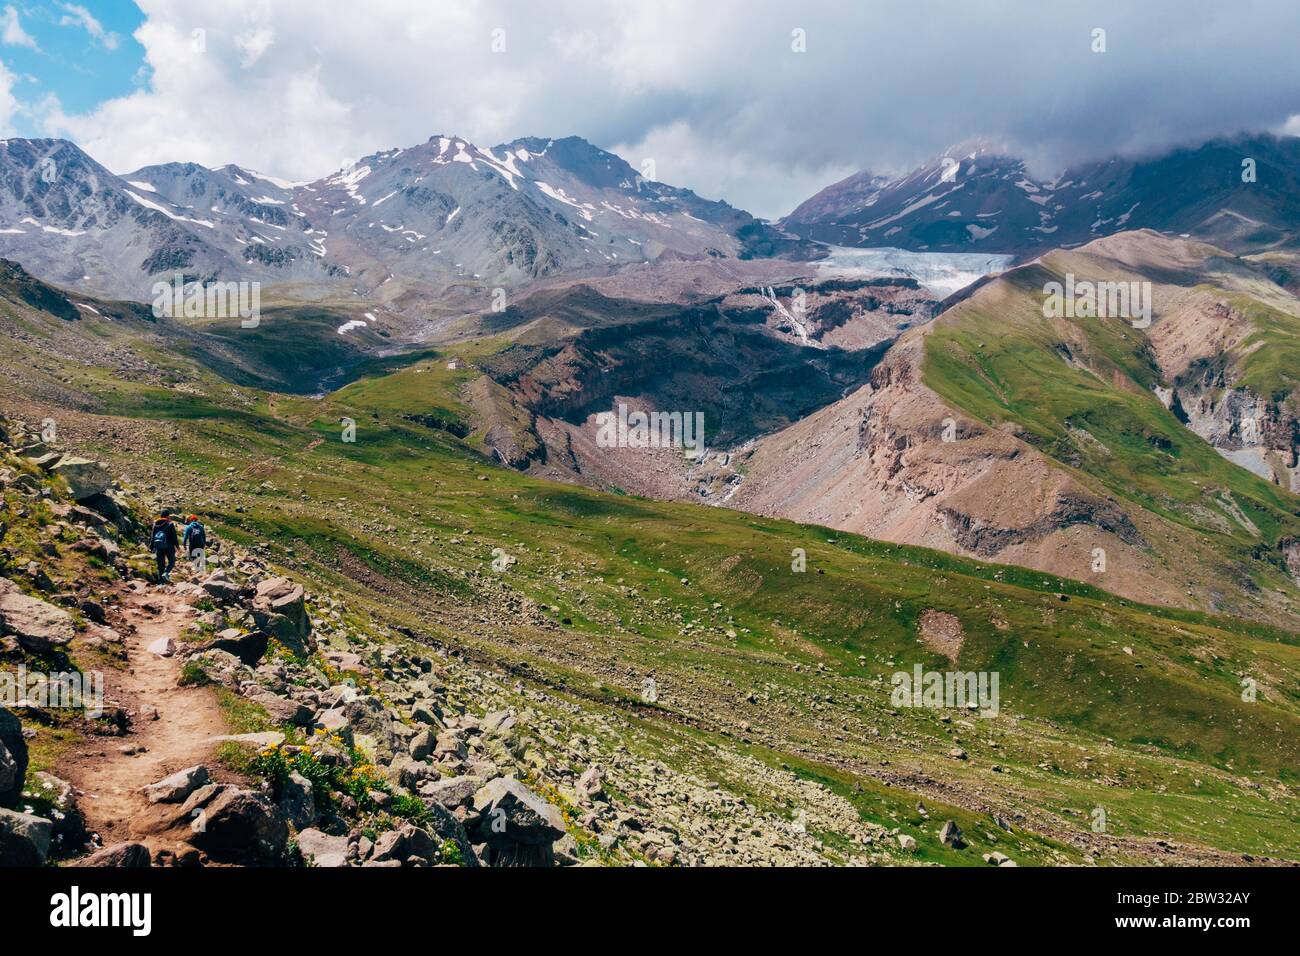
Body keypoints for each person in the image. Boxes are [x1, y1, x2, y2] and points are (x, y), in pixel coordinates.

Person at [150, 510, 179, 583]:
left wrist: (151, 546)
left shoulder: (155, 524)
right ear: (167, 516)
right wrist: (177, 546)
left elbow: (153, 536)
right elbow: (174, 536)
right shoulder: (170, 524)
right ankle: (166, 573)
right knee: (172, 562)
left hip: (159, 546)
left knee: (160, 565)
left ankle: (161, 582)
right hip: (169, 546)